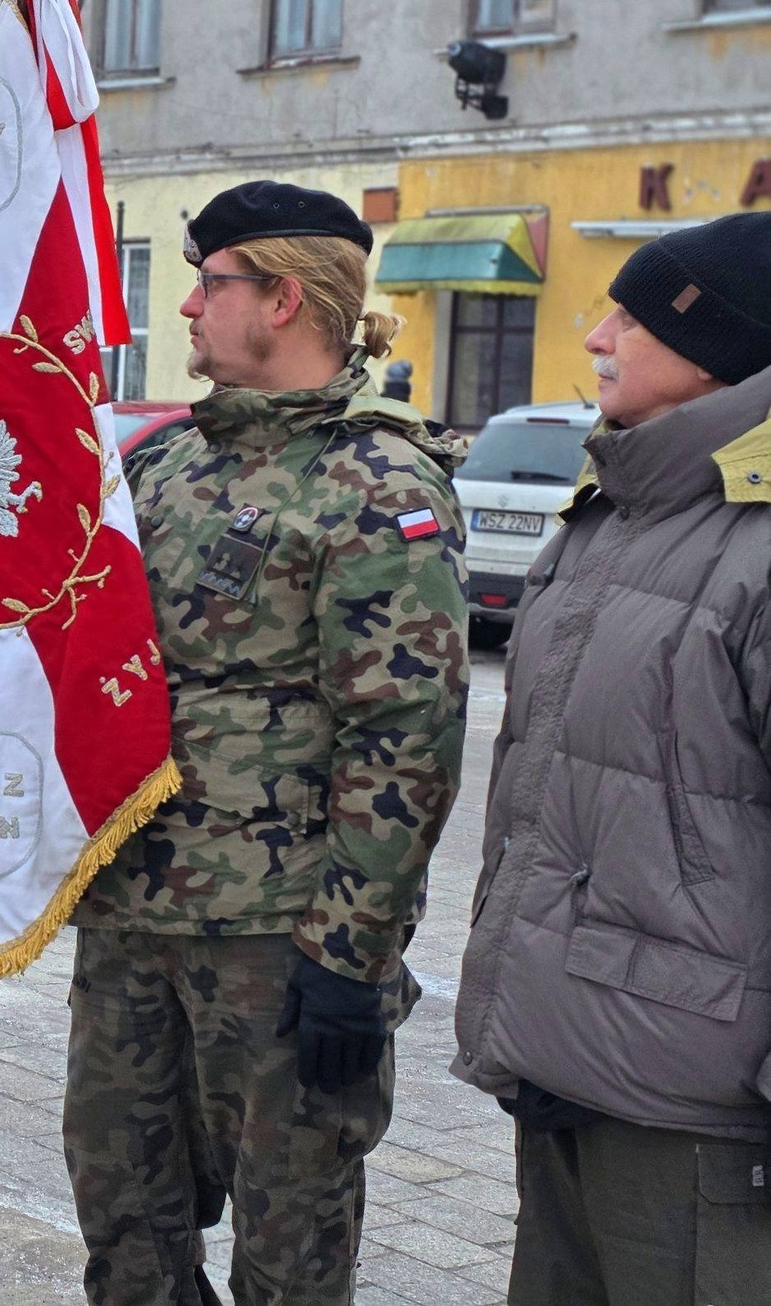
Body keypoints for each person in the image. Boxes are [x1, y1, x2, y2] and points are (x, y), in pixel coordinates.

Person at [64, 182, 469, 1305]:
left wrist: (348, 956)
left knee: (285, 1254)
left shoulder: (376, 483)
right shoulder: (163, 467)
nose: (185, 307)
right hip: (131, 914)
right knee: (121, 1222)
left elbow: (403, 737)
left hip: (274, 944)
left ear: (282, 296)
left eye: (210, 282)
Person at [452, 212, 771, 1306]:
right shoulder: (611, 515)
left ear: (716, 347)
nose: (593, 334)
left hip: (700, 1120)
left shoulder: (753, 543)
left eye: (629, 317)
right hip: (570, 1067)